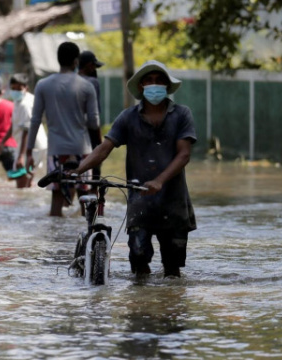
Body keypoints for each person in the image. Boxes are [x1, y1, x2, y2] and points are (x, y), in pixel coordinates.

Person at [75, 60, 197, 278]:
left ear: (167, 86)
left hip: (173, 201)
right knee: (138, 261)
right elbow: (104, 149)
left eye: (159, 80)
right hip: (140, 201)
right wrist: (77, 171)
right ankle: (141, 306)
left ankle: (170, 308)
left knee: (172, 269)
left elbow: (184, 154)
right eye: (149, 80)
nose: (154, 84)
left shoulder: (181, 114)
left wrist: (159, 181)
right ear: (141, 86)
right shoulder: (128, 117)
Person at [26, 42, 100, 216]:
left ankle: (56, 243)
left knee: (56, 204)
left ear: (57, 60)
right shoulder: (87, 86)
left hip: (57, 151)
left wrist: (29, 152)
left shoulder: (43, 85)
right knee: (85, 204)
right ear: (76, 61)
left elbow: (35, 120)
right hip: (82, 151)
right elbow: (94, 122)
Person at [0, 73, 47, 188]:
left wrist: (21, 156)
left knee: (21, 184)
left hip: (31, 147)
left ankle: (22, 204)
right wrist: (2, 143)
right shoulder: (21, 101)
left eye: (19, 88)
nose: (15, 91)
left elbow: (26, 129)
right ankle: (28, 202)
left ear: (26, 88)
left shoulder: (25, 104)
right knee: (27, 179)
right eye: (13, 88)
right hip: (34, 146)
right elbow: (14, 125)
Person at [78, 51, 105, 181]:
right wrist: (100, 142)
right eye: (94, 66)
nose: (95, 70)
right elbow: (94, 116)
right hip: (89, 134)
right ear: (89, 65)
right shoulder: (92, 82)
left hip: (68, 135)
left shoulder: (69, 81)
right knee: (94, 177)